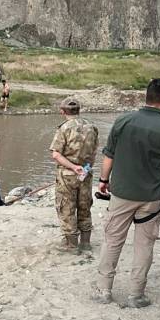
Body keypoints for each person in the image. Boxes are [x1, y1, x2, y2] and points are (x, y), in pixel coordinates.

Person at [93, 78, 160, 308]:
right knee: (144, 246)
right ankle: (136, 294)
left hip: (122, 192)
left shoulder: (123, 120)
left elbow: (109, 154)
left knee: (112, 241)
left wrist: (103, 180)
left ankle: (104, 290)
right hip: (152, 198)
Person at [49, 97, 99, 251]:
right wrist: (85, 167)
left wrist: (73, 166)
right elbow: (94, 151)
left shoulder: (64, 128)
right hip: (86, 173)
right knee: (84, 206)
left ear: (62, 111)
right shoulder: (92, 127)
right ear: (79, 110)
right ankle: (85, 242)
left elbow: (56, 154)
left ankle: (71, 244)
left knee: (66, 207)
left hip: (67, 175)